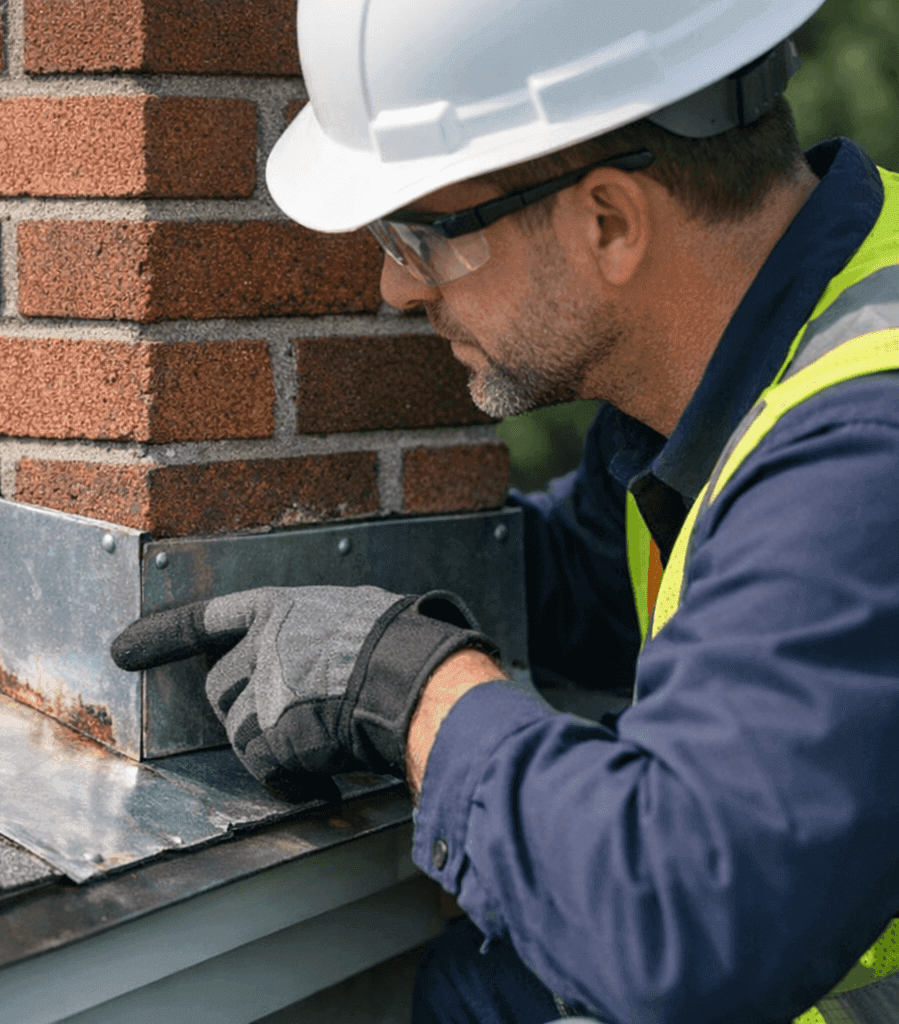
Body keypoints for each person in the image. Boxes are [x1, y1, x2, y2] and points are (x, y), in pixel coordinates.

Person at [111, 1, 899, 1021]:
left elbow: (681, 924)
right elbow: (604, 581)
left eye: (420, 235)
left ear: (608, 221)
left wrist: (407, 688)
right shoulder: (754, 359)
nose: (397, 288)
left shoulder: (861, 456)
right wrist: (353, 610)